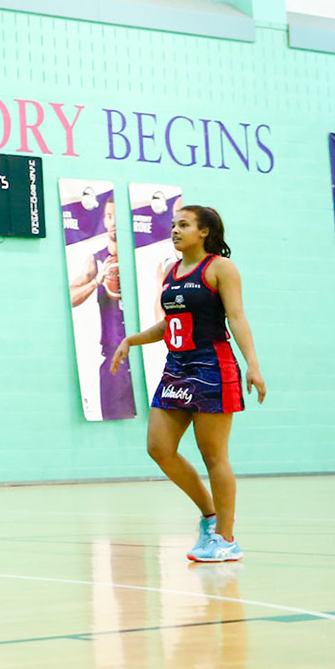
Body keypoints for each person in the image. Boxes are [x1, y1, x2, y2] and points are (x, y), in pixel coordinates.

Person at [109, 205, 264, 563]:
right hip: (177, 367)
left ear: (205, 231)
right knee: (159, 448)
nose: (175, 230)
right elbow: (170, 326)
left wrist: (252, 365)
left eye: (184, 225)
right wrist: (131, 340)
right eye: (173, 225)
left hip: (212, 365)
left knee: (214, 456)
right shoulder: (172, 272)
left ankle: (226, 538)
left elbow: (237, 319)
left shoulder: (220, 268)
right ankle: (209, 517)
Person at [72, 195, 136, 421]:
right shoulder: (96, 260)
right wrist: (95, 282)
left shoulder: (140, 258)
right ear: (105, 221)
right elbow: (69, 297)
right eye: (109, 216)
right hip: (113, 357)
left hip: (141, 356)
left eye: (118, 217)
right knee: (116, 423)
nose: (114, 222)